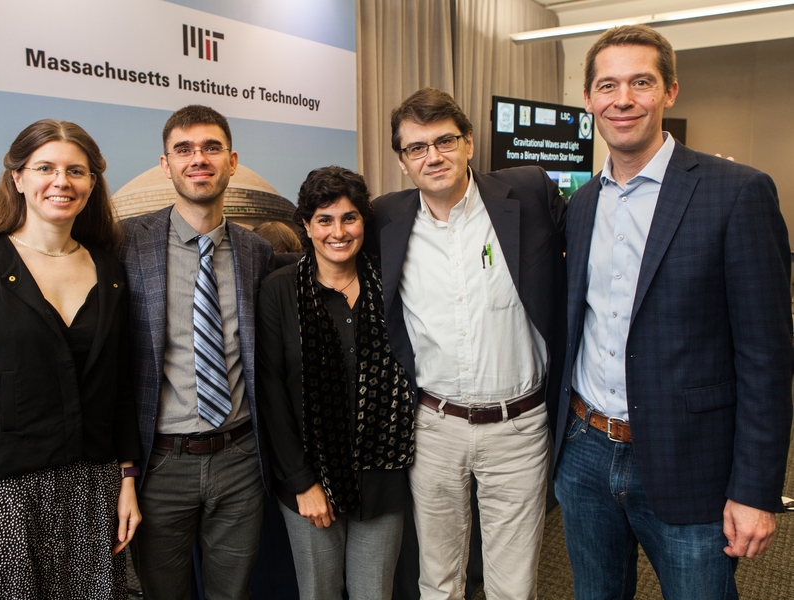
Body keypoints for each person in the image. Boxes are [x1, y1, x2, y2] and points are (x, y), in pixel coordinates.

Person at [552, 25, 793, 600]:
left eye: (641, 82)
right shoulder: (582, 204)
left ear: (670, 91)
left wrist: (757, 489)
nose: (623, 98)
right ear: (588, 100)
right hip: (585, 454)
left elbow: (766, 356)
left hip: (692, 462)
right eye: (607, 85)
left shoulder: (736, 193)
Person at [0, 119, 141, 598]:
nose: (62, 181)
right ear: (17, 177)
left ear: (92, 183)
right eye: (45, 168)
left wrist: (126, 479)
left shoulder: (110, 270)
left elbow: (118, 390)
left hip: (91, 494)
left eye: (76, 171)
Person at [368, 88, 567, 600]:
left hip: (518, 428)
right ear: (403, 161)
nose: (433, 156)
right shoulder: (385, 219)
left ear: (470, 143)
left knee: (513, 583)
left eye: (445, 140)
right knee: (436, 576)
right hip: (433, 427)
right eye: (416, 148)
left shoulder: (527, 194)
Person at [121, 104, 273, 600]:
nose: (198, 159)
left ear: (231, 160)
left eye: (210, 148)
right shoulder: (126, 245)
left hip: (240, 458)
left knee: (234, 593)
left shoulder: (256, 252)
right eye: (183, 150)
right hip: (161, 463)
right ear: (166, 164)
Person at [256, 166, 415, 599]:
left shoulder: (394, 286)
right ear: (306, 226)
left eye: (349, 218)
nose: (338, 231)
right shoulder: (278, 291)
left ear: (364, 221)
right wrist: (302, 483)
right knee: (319, 593)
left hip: (382, 479)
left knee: (374, 593)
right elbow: (270, 394)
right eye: (324, 220)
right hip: (310, 481)